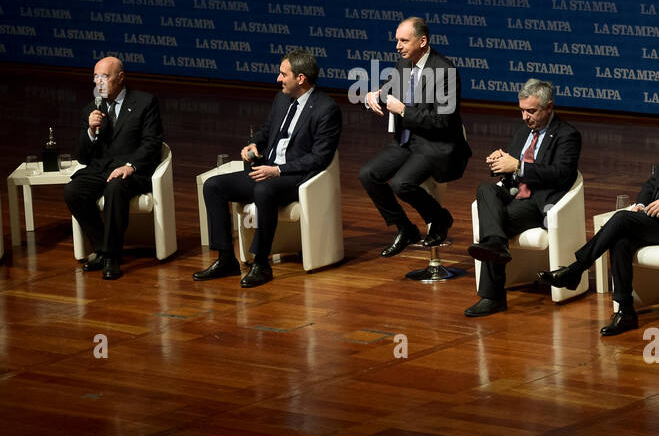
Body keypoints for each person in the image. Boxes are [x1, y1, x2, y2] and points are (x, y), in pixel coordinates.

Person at [539, 97, 659, 336]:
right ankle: (625, 311)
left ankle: (576, 269)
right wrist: (639, 204)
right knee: (621, 239)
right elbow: (652, 183)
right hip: (655, 221)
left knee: (619, 220)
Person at [194, 50, 343, 288]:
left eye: (284, 74)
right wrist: (254, 143)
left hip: (295, 177)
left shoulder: (326, 108)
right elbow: (267, 130)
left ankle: (261, 263)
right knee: (214, 186)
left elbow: (320, 158)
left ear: (301, 78)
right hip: (266, 171)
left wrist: (278, 171)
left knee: (264, 190)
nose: (278, 79)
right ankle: (225, 259)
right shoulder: (282, 98)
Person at [464, 79, 581, 317]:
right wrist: (498, 163)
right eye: (522, 111)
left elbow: (560, 175)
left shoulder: (567, 135)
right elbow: (510, 171)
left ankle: (493, 296)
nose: (525, 117)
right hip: (513, 193)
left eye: (531, 111)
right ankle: (495, 244)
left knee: (494, 225)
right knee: (486, 189)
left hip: (536, 202)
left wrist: (518, 166)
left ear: (549, 107)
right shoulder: (522, 133)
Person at [358, 17, 472, 257]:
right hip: (408, 139)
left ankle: (440, 219)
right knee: (368, 174)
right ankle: (405, 227)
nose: (397, 46)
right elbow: (390, 89)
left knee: (401, 184)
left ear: (422, 41)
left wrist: (402, 110)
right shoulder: (404, 64)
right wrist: (373, 95)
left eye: (403, 40)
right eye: (397, 40)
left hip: (436, 143)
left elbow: (442, 121)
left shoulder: (445, 71)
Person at [64, 56, 163, 280]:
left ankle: (111, 256)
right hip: (100, 170)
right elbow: (82, 156)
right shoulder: (92, 109)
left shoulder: (145, 102)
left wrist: (131, 166)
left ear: (120, 78)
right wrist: (89, 131)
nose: (99, 83)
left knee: (115, 188)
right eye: (95, 78)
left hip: (132, 172)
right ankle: (101, 247)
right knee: (72, 191)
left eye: (105, 77)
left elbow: (152, 142)